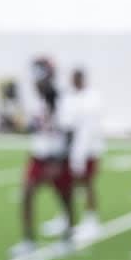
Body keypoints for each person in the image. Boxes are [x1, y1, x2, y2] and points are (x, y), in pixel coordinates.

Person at [9, 57, 76, 257]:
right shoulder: (36, 100)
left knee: (64, 198)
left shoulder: (61, 99)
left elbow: (69, 132)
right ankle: (28, 240)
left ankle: (68, 237)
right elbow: (32, 127)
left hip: (57, 156)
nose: (36, 83)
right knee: (27, 193)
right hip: (39, 155)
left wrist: (59, 160)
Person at [41, 68, 105, 241]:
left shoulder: (92, 98)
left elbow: (88, 126)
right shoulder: (69, 98)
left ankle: (92, 219)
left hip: (89, 149)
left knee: (87, 183)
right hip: (71, 148)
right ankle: (66, 216)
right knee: (69, 183)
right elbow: (64, 121)